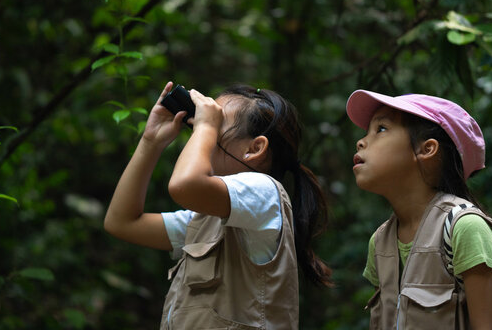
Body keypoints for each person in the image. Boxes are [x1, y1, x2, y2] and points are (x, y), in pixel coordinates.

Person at [104, 81, 332, 329]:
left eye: (216, 122)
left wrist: (204, 125)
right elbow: (122, 222)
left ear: (254, 149)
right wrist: (151, 142)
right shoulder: (204, 220)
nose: (202, 130)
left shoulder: (265, 193)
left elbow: (184, 185)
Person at [346, 89, 492, 329]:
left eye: (381, 129)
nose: (361, 141)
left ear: (426, 149)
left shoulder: (465, 228)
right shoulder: (380, 241)